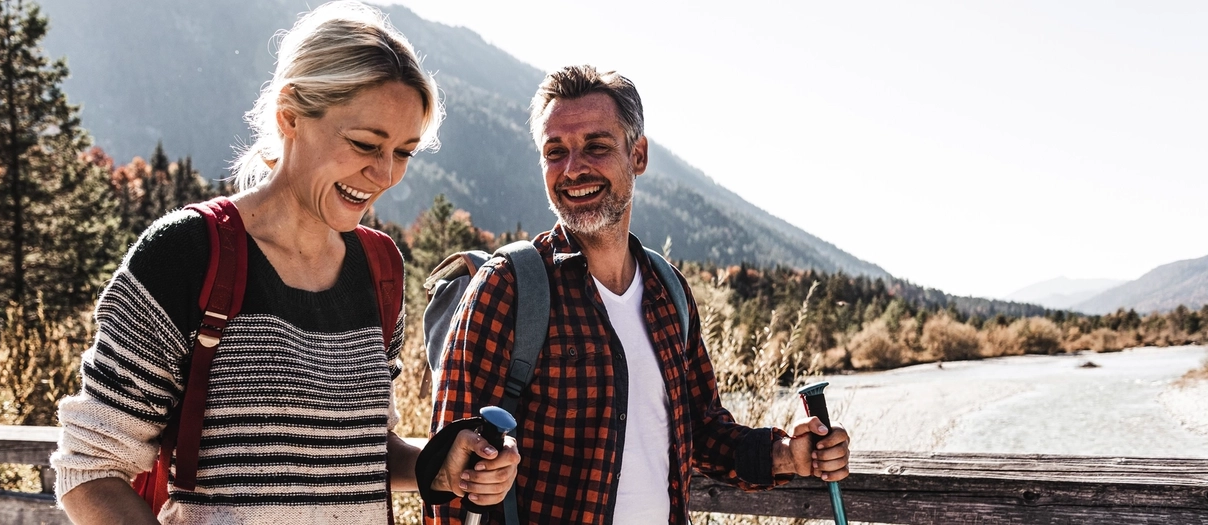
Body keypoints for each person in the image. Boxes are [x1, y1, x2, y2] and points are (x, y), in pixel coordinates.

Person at [51, 3, 518, 523]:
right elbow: (89, 471)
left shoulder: (380, 268)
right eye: (365, 143)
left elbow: (360, 455)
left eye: (405, 151)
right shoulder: (187, 253)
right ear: (289, 115)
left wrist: (439, 466)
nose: (385, 173)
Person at [426, 65, 850, 525]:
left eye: (596, 146)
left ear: (639, 154)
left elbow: (703, 431)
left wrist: (788, 453)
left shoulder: (669, 292)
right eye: (555, 152)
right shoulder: (509, 286)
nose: (573, 169)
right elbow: (450, 476)